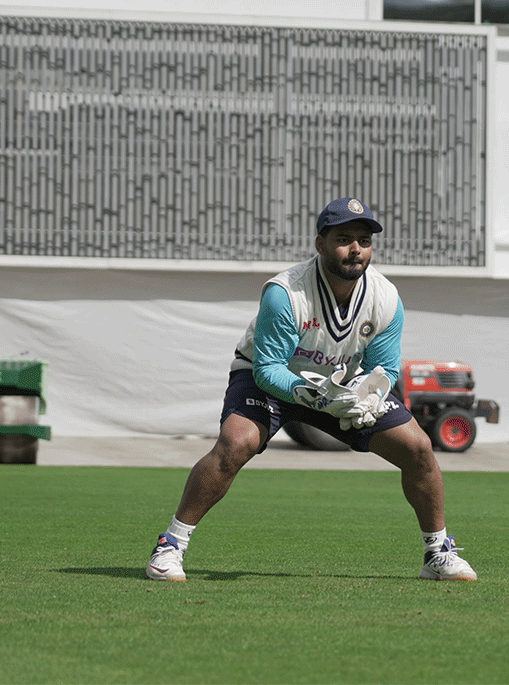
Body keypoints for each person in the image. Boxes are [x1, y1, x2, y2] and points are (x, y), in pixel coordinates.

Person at [146, 197, 477, 582]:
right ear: (320, 244)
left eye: (365, 240)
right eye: (344, 238)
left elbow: (383, 369)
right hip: (268, 381)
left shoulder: (385, 299)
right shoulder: (285, 292)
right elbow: (268, 369)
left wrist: (367, 396)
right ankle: (170, 546)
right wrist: (317, 395)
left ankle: (438, 553)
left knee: (419, 448)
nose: (356, 248)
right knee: (235, 444)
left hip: (340, 388)